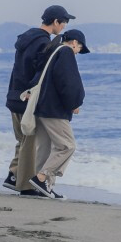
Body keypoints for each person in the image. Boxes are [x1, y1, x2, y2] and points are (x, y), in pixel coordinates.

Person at [3, 5, 76, 194]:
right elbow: (39, 72)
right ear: (55, 22)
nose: (64, 28)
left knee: (23, 139)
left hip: (13, 95)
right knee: (30, 142)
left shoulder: (27, 38)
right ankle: (28, 187)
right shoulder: (42, 43)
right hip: (26, 98)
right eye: (64, 23)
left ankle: (13, 175)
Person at [26, 28, 89, 199]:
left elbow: (38, 75)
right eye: (80, 48)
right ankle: (41, 178)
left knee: (45, 149)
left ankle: (44, 188)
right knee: (67, 146)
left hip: (41, 107)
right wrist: (75, 103)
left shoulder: (51, 50)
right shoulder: (66, 52)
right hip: (54, 110)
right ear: (74, 42)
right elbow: (68, 81)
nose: (78, 52)